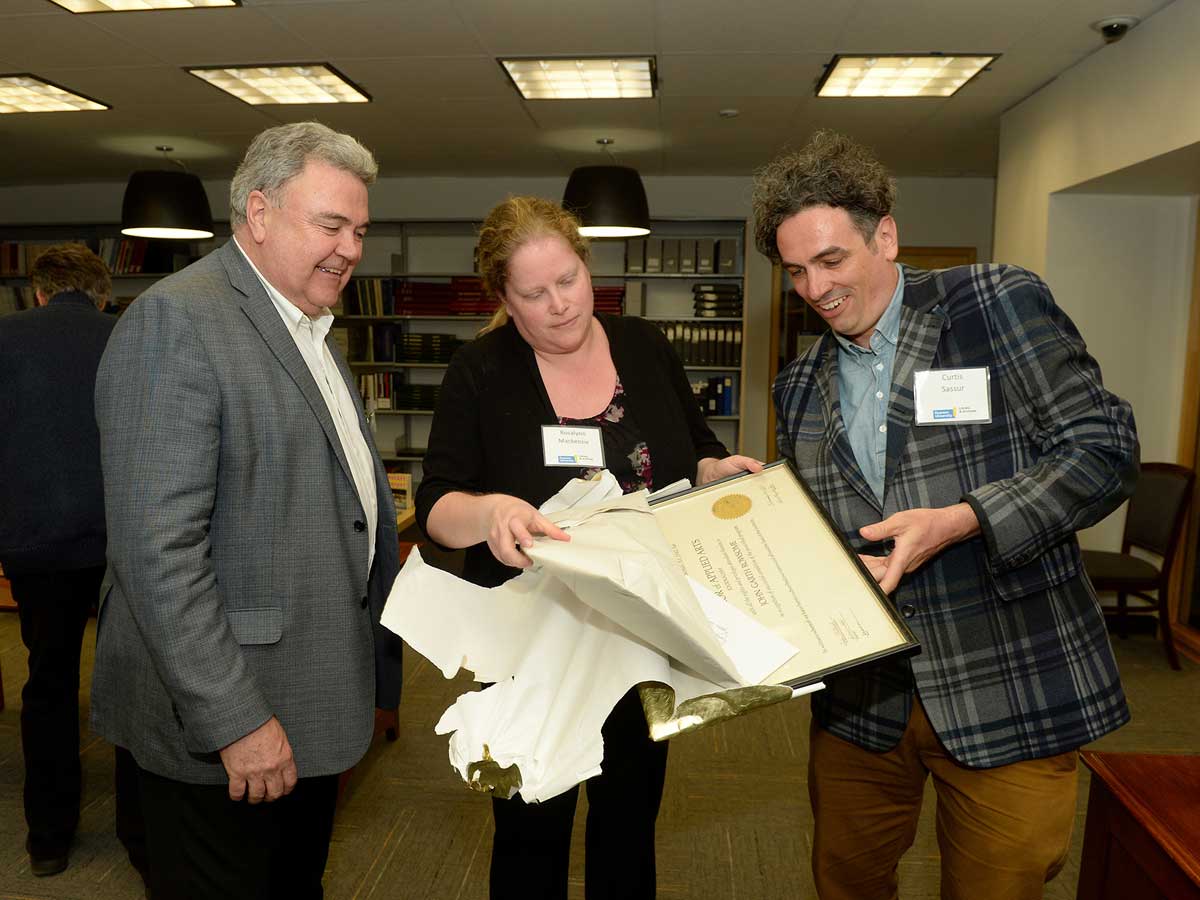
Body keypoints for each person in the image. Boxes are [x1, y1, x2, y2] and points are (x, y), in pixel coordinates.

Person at [752, 130, 1138, 900]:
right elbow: (828, 535)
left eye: (831, 261)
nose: (814, 288)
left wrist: (962, 518)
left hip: (1008, 678)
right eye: (795, 271)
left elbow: (1104, 448)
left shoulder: (992, 303)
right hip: (864, 706)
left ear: (885, 235)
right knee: (847, 885)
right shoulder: (798, 384)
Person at [92, 121, 403, 900]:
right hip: (229, 721)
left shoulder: (314, 331)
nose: (351, 249)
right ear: (258, 214)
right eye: (330, 225)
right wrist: (233, 719)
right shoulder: (179, 322)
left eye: (360, 231)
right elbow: (158, 552)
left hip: (307, 694)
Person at [417, 196, 760, 900]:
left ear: (585, 263)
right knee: (528, 831)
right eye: (534, 294)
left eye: (568, 280)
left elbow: (694, 450)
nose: (560, 306)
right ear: (505, 300)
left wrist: (711, 473)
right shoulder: (481, 372)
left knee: (628, 827)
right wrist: (490, 512)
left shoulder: (644, 346)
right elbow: (437, 509)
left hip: (639, 637)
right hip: (530, 648)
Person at [0, 244, 147, 879]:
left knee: (48, 681)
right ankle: (142, 833)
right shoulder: (131, 335)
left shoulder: (4, 339)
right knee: (138, 680)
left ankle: (48, 839)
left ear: (37, 291)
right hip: (124, 541)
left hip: (35, 542)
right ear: (103, 292)